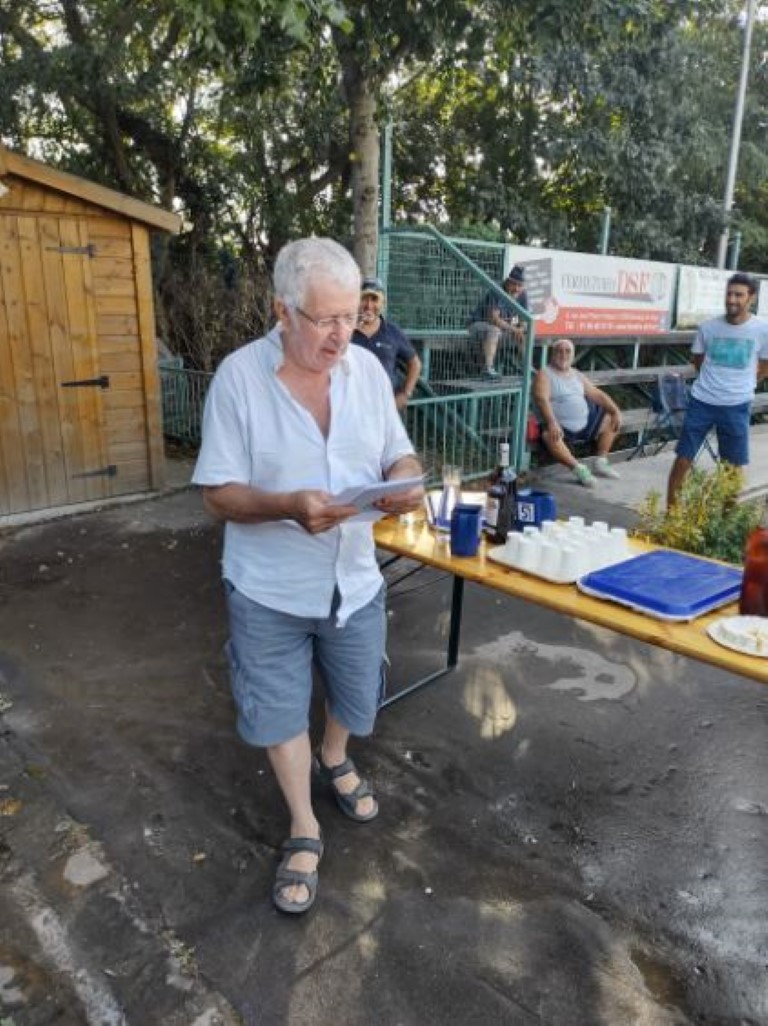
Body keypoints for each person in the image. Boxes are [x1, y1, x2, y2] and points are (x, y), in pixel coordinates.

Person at [192, 238, 424, 915]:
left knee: (357, 696)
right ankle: (303, 822)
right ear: (283, 312)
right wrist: (289, 506)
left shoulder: (367, 373)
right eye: (324, 319)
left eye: (350, 317)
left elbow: (397, 454)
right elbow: (217, 494)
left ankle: (336, 753)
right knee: (275, 707)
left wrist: (405, 481)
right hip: (267, 586)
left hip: (354, 580)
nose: (340, 336)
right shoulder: (239, 377)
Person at [667, 272, 768, 507]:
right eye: (729, 294)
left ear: (751, 298)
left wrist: (740, 384)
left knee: (732, 467)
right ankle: (672, 515)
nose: (732, 299)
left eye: (739, 295)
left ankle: (725, 522)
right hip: (702, 401)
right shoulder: (709, 327)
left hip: (737, 405)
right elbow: (698, 360)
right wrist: (716, 382)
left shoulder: (763, 329)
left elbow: (764, 367)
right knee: (684, 457)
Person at [533, 337, 623, 488]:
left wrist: (615, 410)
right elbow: (542, 399)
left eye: (568, 351)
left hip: (586, 423)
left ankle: (601, 462)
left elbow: (597, 394)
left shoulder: (577, 374)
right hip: (561, 426)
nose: (563, 355)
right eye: (559, 351)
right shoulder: (545, 374)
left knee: (612, 418)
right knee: (548, 435)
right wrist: (552, 422)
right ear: (552, 354)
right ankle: (579, 469)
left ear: (573, 356)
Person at [351, 276, 422, 410]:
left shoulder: (392, 331)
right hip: (352, 408)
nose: (369, 305)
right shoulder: (346, 331)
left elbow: (415, 363)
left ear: (382, 303)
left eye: (374, 299)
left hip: (385, 408)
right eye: (364, 298)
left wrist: (406, 394)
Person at [468, 264, 529, 379]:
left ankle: (526, 367)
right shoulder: (497, 290)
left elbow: (524, 319)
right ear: (508, 281)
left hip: (503, 330)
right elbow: (493, 319)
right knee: (494, 330)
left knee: (525, 333)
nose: (516, 288)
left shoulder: (522, 294)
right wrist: (514, 329)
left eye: (520, 285)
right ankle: (488, 369)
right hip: (478, 325)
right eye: (514, 284)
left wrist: (521, 329)